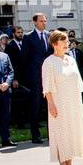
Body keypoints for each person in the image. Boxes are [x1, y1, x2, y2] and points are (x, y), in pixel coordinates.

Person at [42, 30, 83, 165]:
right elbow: (47, 86)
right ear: (55, 44)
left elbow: (78, 83)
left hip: (73, 102)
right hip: (59, 103)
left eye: (67, 41)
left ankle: (70, 164)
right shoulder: (49, 62)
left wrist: (80, 103)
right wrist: (51, 104)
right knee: (61, 134)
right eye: (63, 41)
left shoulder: (71, 59)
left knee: (72, 133)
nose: (66, 44)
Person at [18, 13, 52, 143]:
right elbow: (24, 58)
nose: (44, 23)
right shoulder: (28, 37)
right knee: (35, 107)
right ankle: (36, 135)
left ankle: (52, 134)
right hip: (35, 77)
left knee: (50, 105)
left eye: (45, 21)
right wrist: (26, 77)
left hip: (48, 76)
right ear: (35, 22)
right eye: (41, 21)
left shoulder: (49, 35)